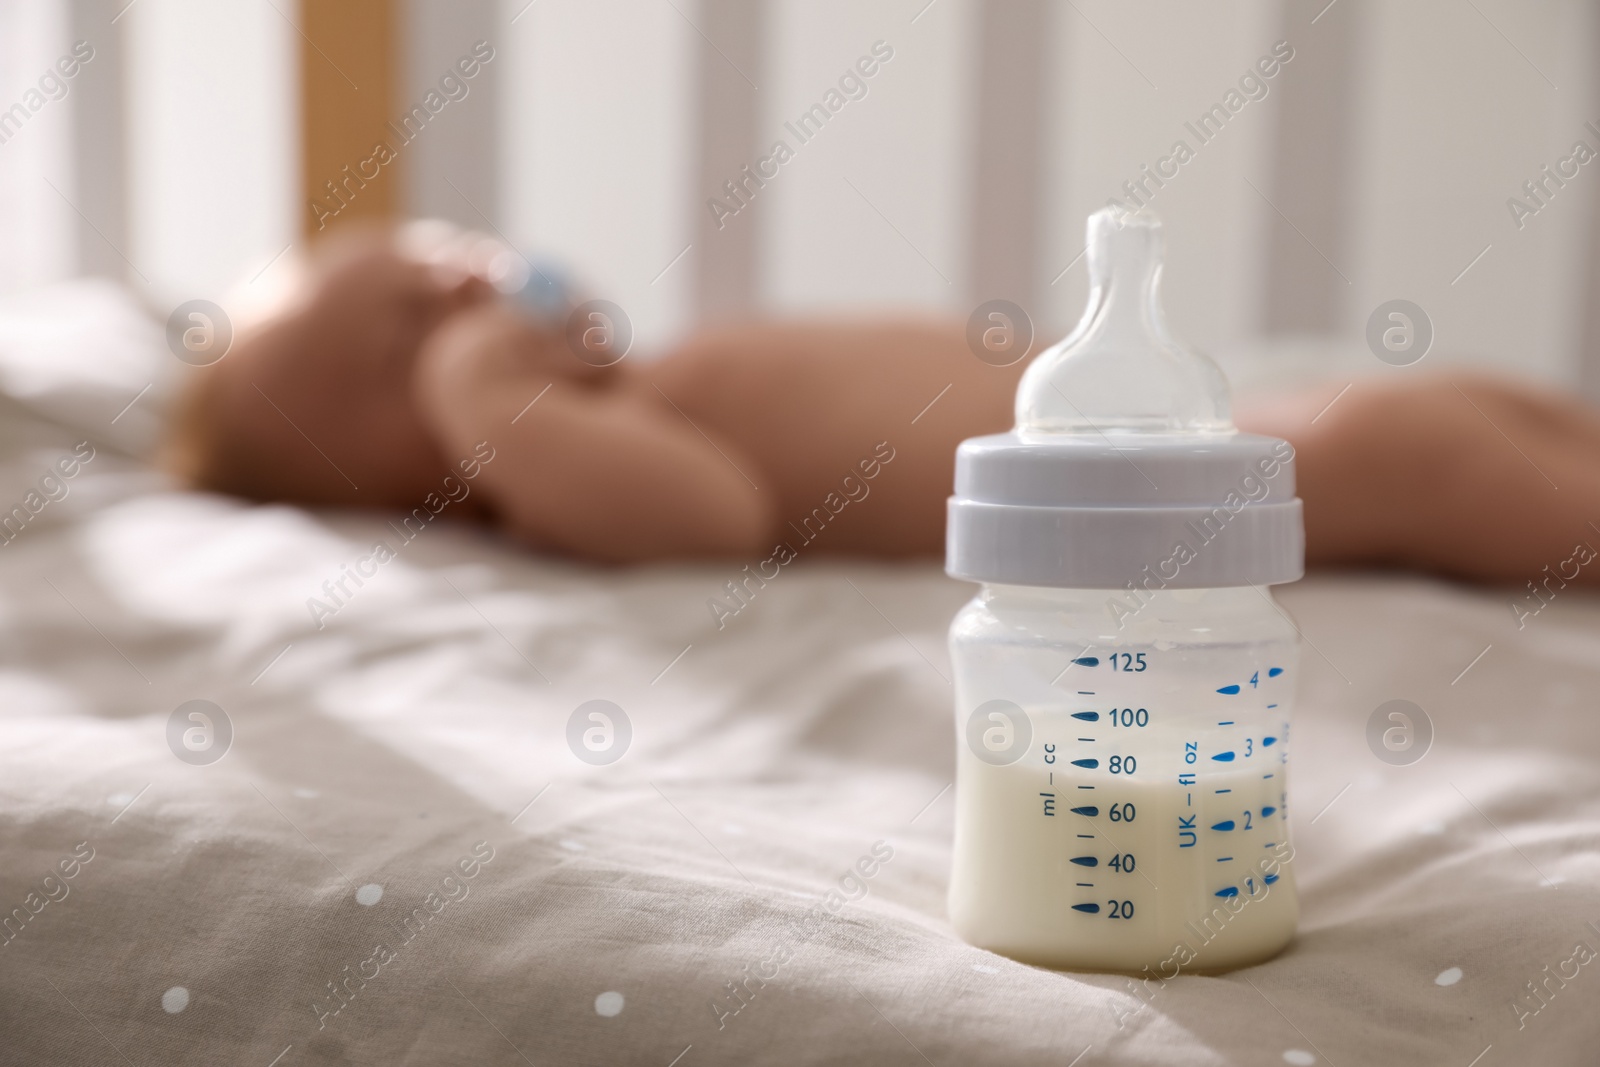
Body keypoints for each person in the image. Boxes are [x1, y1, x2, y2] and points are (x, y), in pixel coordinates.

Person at [168, 224, 1600, 588]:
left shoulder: (649, 376)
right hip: (1152, 491)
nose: (459, 287)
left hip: (1187, 425)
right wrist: (494, 399)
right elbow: (713, 521)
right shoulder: (577, 473)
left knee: (1442, 410)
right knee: (1421, 456)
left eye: (431, 255)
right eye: (404, 332)